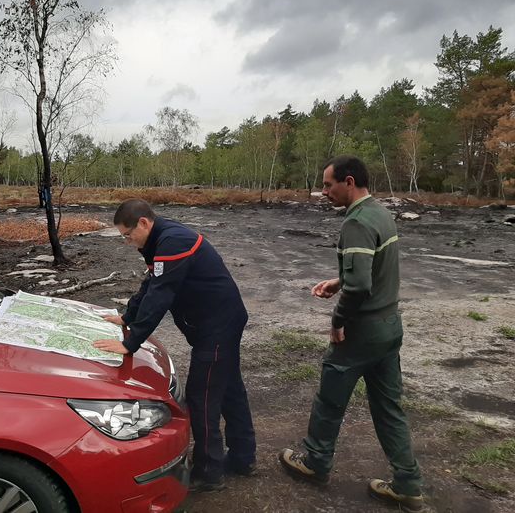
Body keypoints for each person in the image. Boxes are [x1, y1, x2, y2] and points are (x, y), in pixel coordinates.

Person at [278, 156, 424, 512]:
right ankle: (408, 484)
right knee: (389, 407)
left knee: (330, 399)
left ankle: (314, 462)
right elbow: (367, 273)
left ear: (348, 181)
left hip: (363, 330)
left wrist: (338, 321)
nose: (324, 192)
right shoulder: (381, 212)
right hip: (390, 327)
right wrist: (338, 281)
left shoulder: (356, 222)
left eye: (328, 185)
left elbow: (359, 287)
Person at [93, 199, 256, 492]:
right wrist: (127, 316)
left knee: (202, 395)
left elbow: (160, 294)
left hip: (217, 327)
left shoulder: (173, 241)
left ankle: (209, 472)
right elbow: (151, 283)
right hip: (218, 322)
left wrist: (131, 342)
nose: (128, 242)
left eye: (128, 236)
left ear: (143, 223)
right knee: (229, 388)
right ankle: (243, 458)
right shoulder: (159, 240)